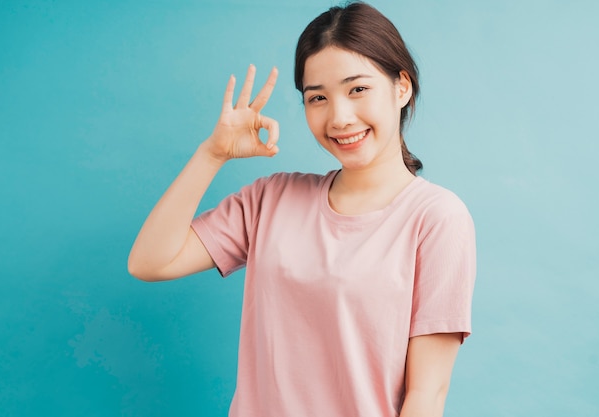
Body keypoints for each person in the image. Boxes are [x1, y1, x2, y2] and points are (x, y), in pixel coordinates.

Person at [128, 2, 476, 416]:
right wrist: (213, 153)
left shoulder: (437, 218)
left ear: (401, 87)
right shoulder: (271, 199)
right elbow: (149, 262)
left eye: (357, 89)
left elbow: (427, 395)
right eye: (318, 98)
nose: (340, 117)